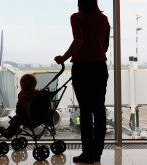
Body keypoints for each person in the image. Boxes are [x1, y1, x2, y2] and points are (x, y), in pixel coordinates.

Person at [54, 0, 110, 163]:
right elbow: (105, 46)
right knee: (99, 109)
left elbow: (79, 40)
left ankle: (88, 153)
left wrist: (63, 58)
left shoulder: (76, 17)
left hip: (83, 67)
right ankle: (97, 153)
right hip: (100, 66)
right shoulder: (104, 18)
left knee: (85, 111)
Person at [0, 74, 39, 138]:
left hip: (29, 119)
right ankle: (14, 128)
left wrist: (18, 114)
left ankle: (9, 133)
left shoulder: (23, 94)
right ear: (35, 83)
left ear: (22, 85)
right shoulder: (39, 93)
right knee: (16, 119)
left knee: (17, 119)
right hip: (39, 118)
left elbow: (20, 107)